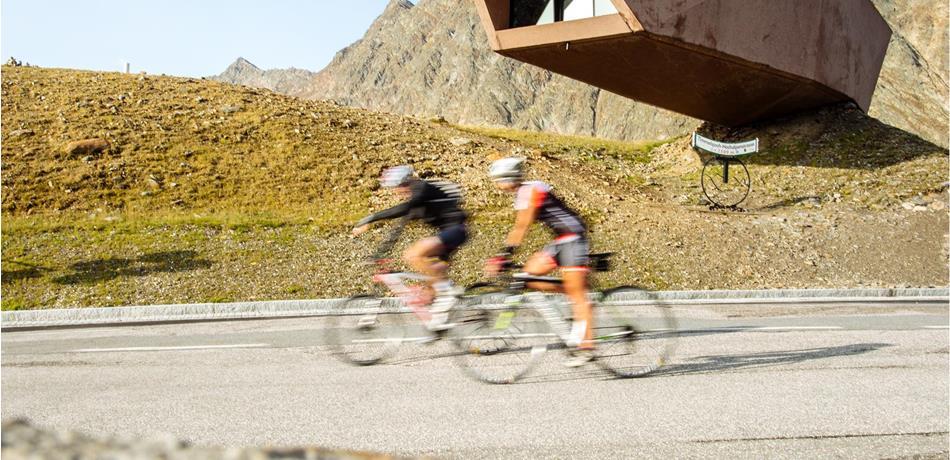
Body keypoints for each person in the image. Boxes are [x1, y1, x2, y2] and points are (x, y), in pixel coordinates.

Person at [486, 157, 595, 367]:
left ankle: (586, 347)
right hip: (560, 241)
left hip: (574, 238)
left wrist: (504, 255)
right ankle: (574, 291)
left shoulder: (532, 189)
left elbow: (523, 225)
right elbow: (520, 225)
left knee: (578, 296)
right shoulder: (522, 193)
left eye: (498, 181)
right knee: (526, 277)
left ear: (508, 178)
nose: (497, 186)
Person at [352, 165, 467, 330]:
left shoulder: (422, 188)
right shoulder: (417, 200)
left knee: (413, 255)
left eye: (397, 187)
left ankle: (448, 293)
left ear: (405, 182)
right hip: (448, 235)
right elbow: (398, 228)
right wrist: (380, 252)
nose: (398, 192)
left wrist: (372, 217)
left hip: (456, 230)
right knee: (431, 288)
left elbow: (404, 208)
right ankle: (438, 324)